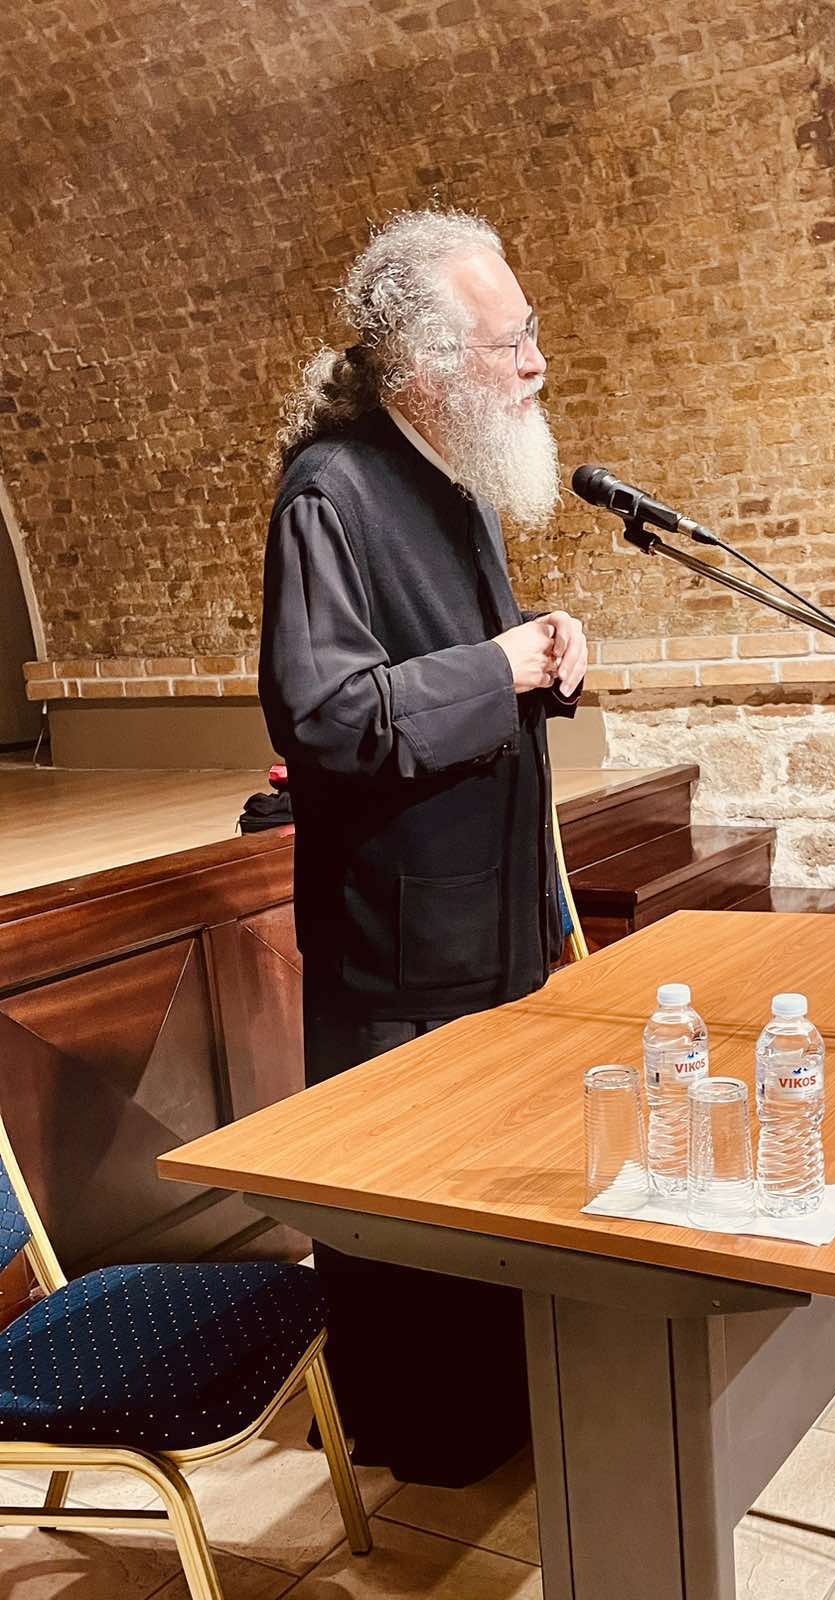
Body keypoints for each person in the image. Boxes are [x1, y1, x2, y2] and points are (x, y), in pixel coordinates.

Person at [259, 208, 588, 1484]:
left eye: (531, 331)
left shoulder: (458, 479)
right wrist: (502, 666)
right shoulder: (330, 492)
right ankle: (424, 1439)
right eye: (511, 340)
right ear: (425, 363)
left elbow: (462, 671)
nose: (535, 361)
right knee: (412, 1226)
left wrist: (546, 650)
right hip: (398, 955)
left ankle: (501, 1422)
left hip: (489, 924)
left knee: (490, 1207)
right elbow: (331, 719)